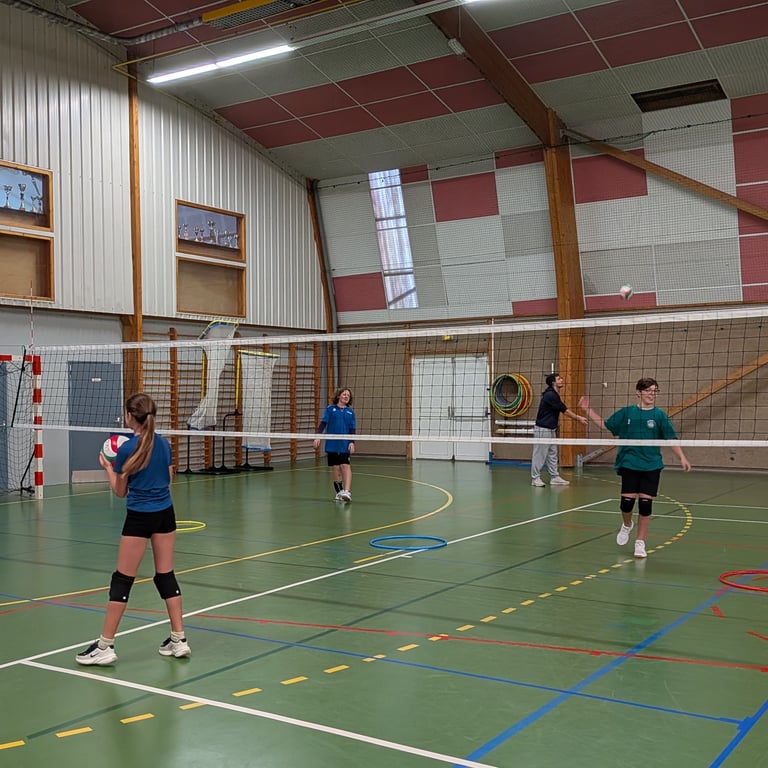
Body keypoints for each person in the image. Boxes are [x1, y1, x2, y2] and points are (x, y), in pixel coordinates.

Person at [76, 393, 190, 665]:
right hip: (165, 514)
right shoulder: (164, 444)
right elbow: (168, 479)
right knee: (165, 575)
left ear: (129, 416)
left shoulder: (126, 450)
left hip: (140, 517)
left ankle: (105, 646)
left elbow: (120, 491)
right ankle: (179, 639)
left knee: (123, 579)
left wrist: (107, 467)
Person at [579, 377, 691, 559]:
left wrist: (682, 457)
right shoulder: (627, 412)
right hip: (629, 462)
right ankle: (627, 524)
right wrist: (587, 410)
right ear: (638, 392)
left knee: (645, 504)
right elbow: (605, 425)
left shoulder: (659, 415)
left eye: (654, 391)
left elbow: (671, 438)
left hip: (651, 464)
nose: (651, 394)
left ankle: (640, 542)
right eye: (648, 391)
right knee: (626, 503)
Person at [531, 373, 587, 487]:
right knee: (540, 454)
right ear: (553, 382)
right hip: (543, 429)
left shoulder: (554, 394)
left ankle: (555, 477)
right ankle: (535, 478)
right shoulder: (550, 395)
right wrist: (578, 418)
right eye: (559, 379)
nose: (561, 380)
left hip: (551, 429)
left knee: (552, 454)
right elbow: (564, 410)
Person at [313, 387, 356, 502]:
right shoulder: (330, 409)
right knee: (336, 468)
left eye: (348, 395)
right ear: (338, 396)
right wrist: (318, 436)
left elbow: (352, 429)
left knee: (345, 465)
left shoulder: (350, 412)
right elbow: (323, 423)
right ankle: (339, 492)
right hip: (332, 443)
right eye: (344, 394)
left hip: (345, 443)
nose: (346, 396)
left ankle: (347, 491)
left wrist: (352, 442)